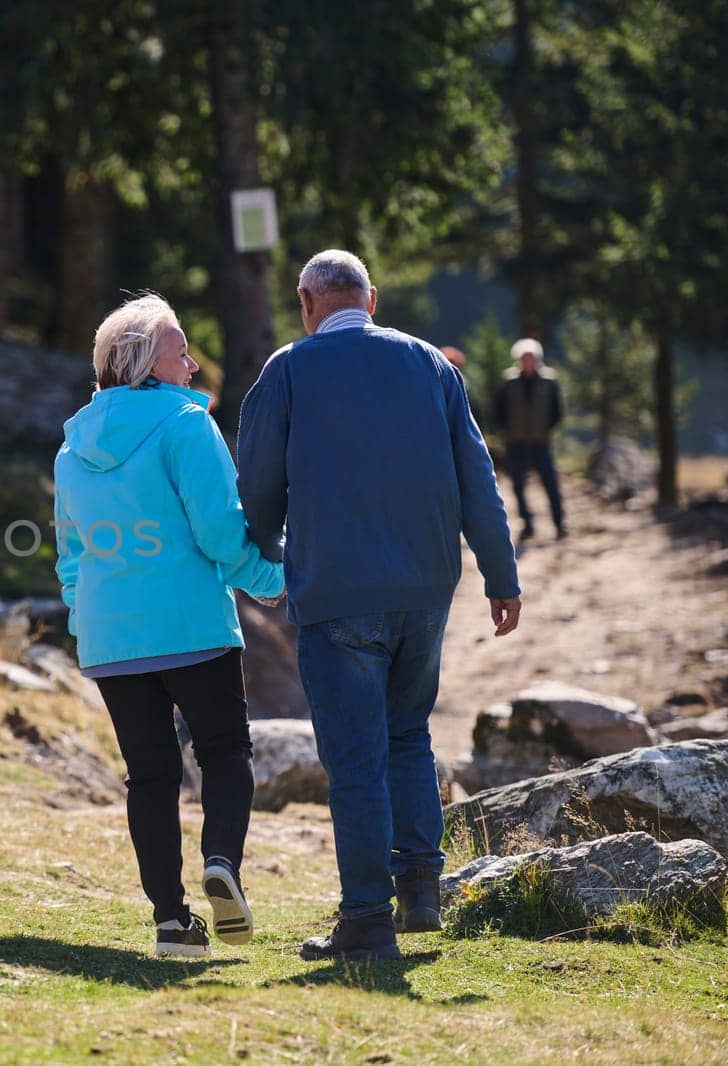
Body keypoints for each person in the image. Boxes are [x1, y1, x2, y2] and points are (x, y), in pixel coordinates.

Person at [236, 250, 521, 961]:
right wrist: (500, 575)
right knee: (408, 735)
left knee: (355, 758)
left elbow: (259, 483)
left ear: (307, 302)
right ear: (371, 298)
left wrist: (262, 556)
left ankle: (365, 920)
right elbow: (476, 477)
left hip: (335, 592)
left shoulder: (290, 370)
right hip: (425, 590)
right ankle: (420, 889)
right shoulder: (432, 366)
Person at [54, 294, 286, 959]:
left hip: (109, 637)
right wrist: (271, 582)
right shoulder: (187, 424)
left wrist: (84, 617)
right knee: (224, 752)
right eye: (181, 348)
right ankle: (222, 864)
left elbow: (72, 554)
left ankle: (171, 923)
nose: (191, 361)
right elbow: (218, 530)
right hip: (189, 624)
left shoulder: (71, 448)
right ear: (145, 361)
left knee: (149, 775)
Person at [492, 337, 566, 540]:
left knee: (550, 484)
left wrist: (546, 429)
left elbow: (557, 411)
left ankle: (560, 523)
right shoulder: (508, 382)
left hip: (541, 442)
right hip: (516, 442)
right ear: (518, 359)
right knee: (517, 485)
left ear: (537, 358)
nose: (528, 361)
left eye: (531, 357)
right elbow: (498, 412)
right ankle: (527, 524)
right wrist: (507, 430)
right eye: (525, 357)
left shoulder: (549, 381)